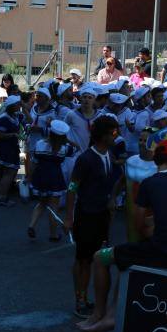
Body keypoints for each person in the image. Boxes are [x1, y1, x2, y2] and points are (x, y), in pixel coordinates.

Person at [75, 140, 167, 332]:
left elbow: (138, 224)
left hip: (162, 251)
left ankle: (101, 314)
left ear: (156, 161)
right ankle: (110, 314)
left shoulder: (149, 183)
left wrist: (153, 225)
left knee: (100, 257)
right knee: (125, 259)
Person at [63, 116, 121, 318]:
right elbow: (72, 187)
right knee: (83, 259)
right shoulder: (86, 158)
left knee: (98, 258)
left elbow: (112, 182)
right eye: (113, 132)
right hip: (86, 214)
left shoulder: (109, 155)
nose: (117, 135)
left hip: (102, 215)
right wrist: (69, 217)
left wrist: (112, 199)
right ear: (102, 135)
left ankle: (89, 299)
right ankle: (79, 301)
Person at [28, 120, 75, 241]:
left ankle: (32, 225)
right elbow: (77, 148)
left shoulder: (39, 144)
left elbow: (34, 162)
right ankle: (53, 234)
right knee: (54, 207)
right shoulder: (64, 149)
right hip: (55, 178)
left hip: (41, 177)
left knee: (42, 203)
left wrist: (31, 178)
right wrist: (66, 140)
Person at [0, 95, 24, 206]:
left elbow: (29, 119)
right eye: (18, 104)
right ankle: (2, 197)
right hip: (6, 148)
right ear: (12, 106)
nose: (19, 105)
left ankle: (2, 195)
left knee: (8, 172)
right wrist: (13, 134)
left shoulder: (16, 116)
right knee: (9, 173)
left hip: (11, 147)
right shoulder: (4, 118)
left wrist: (24, 107)